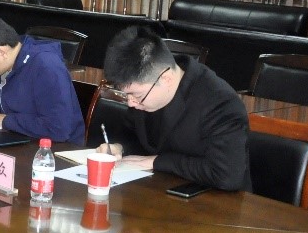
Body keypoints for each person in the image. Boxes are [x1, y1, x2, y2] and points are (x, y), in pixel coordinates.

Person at [99, 26, 250, 191]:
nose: (131, 103)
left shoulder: (220, 102)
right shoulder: (145, 92)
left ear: (166, 79)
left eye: (137, 95)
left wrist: (158, 161)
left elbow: (227, 175)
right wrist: (119, 147)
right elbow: (133, 134)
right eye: (126, 95)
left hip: (217, 200)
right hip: (159, 190)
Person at [0, 12, 84, 144]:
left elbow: (58, 128)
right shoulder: (5, 65)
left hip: (55, 152)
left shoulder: (46, 66)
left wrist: (6, 121)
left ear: (1, 52)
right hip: (18, 141)